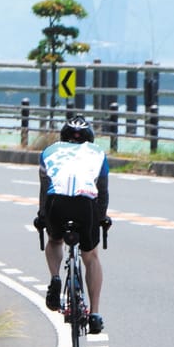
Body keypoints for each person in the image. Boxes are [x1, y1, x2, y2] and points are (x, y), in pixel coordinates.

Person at [36, 113, 111, 334]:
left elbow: (44, 188)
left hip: (56, 201)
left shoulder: (49, 151)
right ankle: (95, 313)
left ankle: (56, 277)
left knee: (55, 240)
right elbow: (103, 191)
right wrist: (101, 217)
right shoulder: (97, 153)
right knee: (91, 256)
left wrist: (42, 215)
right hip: (85, 202)